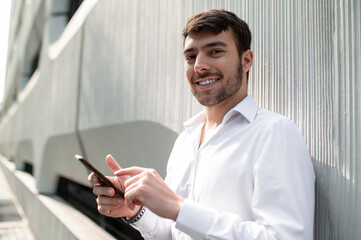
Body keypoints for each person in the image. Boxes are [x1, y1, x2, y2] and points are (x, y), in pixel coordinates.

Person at [89, 9, 315, 240]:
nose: (199, 66)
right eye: (190, 57)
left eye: (215, 52)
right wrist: (136, 211)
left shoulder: (275, 134)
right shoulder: (186, 141)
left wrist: (178, 207)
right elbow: (172, 233)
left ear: (246, 60)